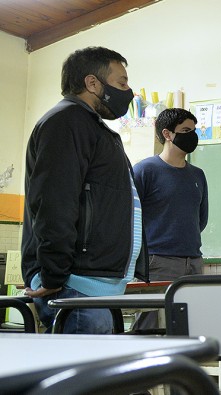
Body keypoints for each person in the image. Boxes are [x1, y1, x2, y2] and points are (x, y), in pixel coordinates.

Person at [20, 46, 147, 334]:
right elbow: (54, 202)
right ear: (92, 83)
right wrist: (52, 274)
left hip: (95, 287)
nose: (128, 91)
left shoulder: (92, 127)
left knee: (100, 378)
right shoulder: (66, 122)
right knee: (83, 378)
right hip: (76, 287)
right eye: (121, 83)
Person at [131, 108, 208, 330]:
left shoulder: (197, 175)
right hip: (156, 262)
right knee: (148, 326)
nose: (192, 135)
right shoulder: (145, 170)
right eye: (185, 130)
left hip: (192, 262)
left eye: (194, 130)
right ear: (167, 134)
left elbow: (200, 219)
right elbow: (130, 217)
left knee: (188, 327)